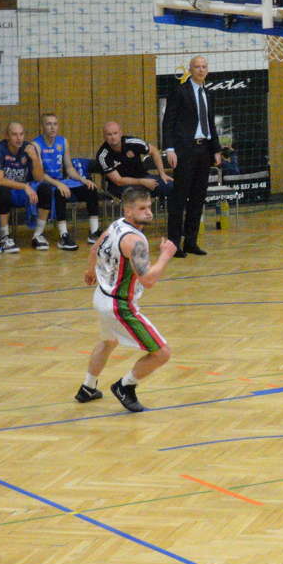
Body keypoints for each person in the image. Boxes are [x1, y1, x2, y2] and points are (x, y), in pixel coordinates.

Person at [79, 186, 177, 411]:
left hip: (101, 296)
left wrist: (90, 270)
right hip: (119, 305)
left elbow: (94, 249)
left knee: (108, 342)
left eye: (149, 207)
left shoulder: (116, 225)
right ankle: (125, 386)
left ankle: (88, 387)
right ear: (128, 211)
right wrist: (165, 255)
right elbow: (148, 280)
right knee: (162, 353)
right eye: (142, 208)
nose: (148, 212)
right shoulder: (134, 241)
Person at [160, 55, 219, 256]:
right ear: (190, 70)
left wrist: (216, 149)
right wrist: (169, 149)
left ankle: (191, 242)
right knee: (179, 197)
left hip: (204, 150)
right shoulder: (180, 91)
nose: (201, 70)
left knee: (198, 197)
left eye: (204, 67)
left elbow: (210, 123)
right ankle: (174, 244)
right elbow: (168, 122)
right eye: (197, 67)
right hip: (185, 151)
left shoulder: (208, 93)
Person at [33, 112, 101, 249]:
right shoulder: (36, 144)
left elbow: (69, 168)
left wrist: (83, 179)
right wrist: (58, 184)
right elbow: (40, 174)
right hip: (44, 182)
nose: (52, 127)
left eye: (55, 124)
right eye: (48, 124)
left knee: (91, 188)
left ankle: (94, 233)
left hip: (61, 180)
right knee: (60, 192)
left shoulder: (63, 142)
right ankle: (63, 235)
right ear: (42, 127)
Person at [0, 122, 52, 252]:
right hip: (7, 190)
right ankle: (4, 237)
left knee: (45, 188)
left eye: (21, 134)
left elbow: (39, 178)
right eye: (14, 134)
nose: (19, 138)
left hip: (23, 191)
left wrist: (35, 159)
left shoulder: (28, 148)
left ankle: (38, 235)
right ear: (7, 136)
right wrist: (24, 186)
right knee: (2, 191)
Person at [96, 122, 172, 198]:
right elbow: (118, 181)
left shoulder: (132, 142)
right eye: (109, 134)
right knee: (134, 194)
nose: (113, 137)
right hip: (121, 185)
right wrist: (142, 182)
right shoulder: (103, 156)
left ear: (121, 133)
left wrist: (162, 174)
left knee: (170, 185)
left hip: (143, 177)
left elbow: (154, 151)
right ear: (104, 137)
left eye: (115, 133)